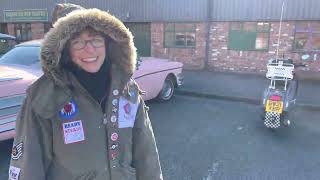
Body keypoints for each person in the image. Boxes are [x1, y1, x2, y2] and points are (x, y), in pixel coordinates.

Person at [9, 3, 163, 180]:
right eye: (77, 42)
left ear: (107, 43)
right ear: (65, 50)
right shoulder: (43, 97)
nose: (89, 49)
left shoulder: (126, 90)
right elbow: (27, 167)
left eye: (95, 40)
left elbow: (147, 155)